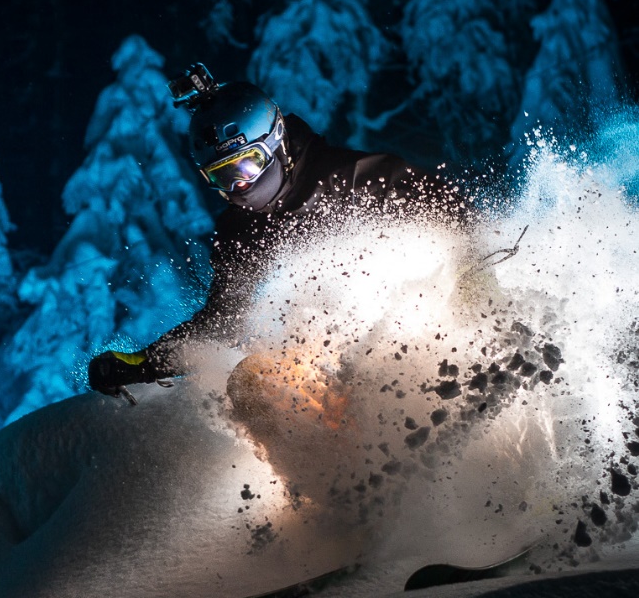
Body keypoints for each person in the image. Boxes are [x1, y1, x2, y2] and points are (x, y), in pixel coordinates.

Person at [88, 63, 470, 398]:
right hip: (331, 366)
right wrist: (142, 363)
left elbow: (448, 211)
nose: (237, 187)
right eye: (221, 176)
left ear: (275, 141)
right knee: (251, 380)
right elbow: (223, 322)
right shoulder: (241, 234)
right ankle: (327, 458)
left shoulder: (351, 179)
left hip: (420, 337)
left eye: (246, 166)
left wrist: (472, 277)